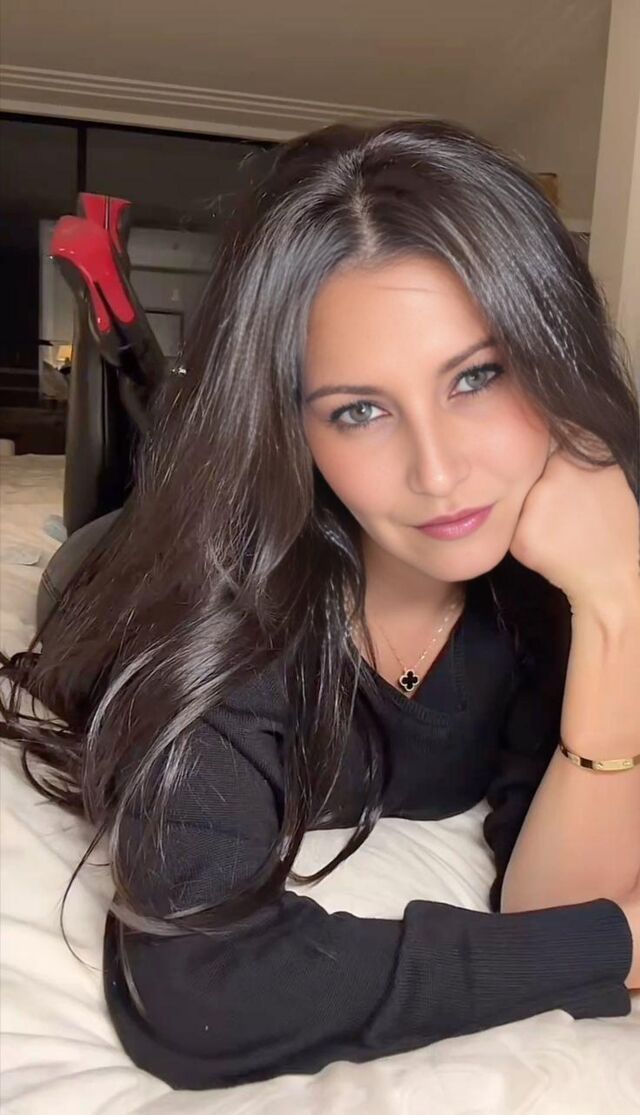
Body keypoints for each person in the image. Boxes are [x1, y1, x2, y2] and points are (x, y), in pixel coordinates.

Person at [1, 118, 639, 1092]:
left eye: (477, 376)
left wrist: (616, 602)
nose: (438, 473)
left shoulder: (542, 581)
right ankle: (108, 311)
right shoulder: (231, 603)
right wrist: (618, 946)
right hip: (108, 564)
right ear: (296, 426)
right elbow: (204, 987)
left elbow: (560, 913)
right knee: (127, 479)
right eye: (359, 409)